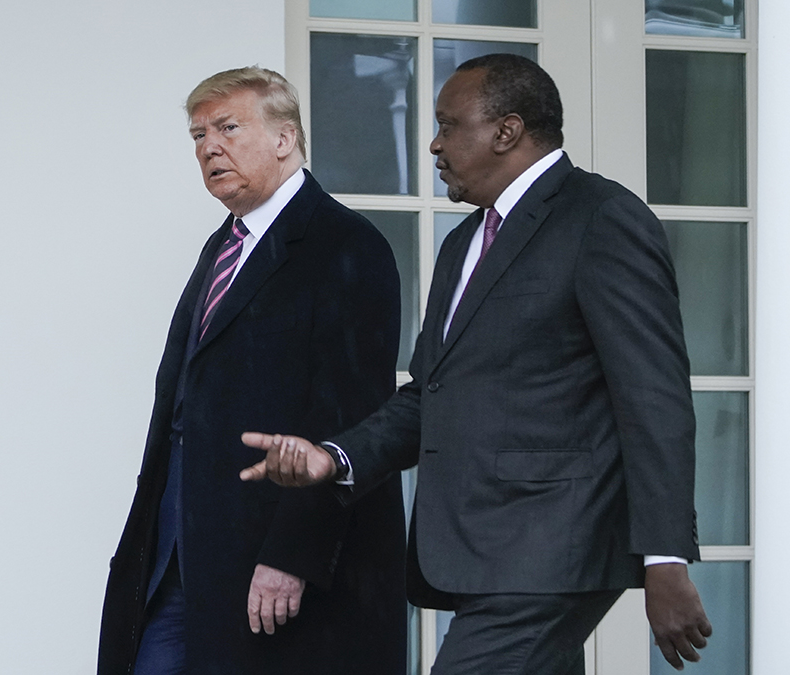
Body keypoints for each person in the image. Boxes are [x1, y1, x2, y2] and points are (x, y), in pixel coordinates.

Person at [240, 54, 713, 675]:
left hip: (550, 552)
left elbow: (654, 398)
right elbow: (428, 392)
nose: (434, 144)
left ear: (505, 131)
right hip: (480, 551)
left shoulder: (601, 219)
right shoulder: (464, 241)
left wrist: (664, 558)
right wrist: (337, 457)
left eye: (447, 124)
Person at [97, 67, 407, 675]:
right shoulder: (222, 245)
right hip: (177, 548)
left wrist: (293, 554)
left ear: (285, 138)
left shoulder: (347, 244)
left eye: (229, 128)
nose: (208, 146)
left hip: (273, 552)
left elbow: (350, 420)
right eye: (198, 134)